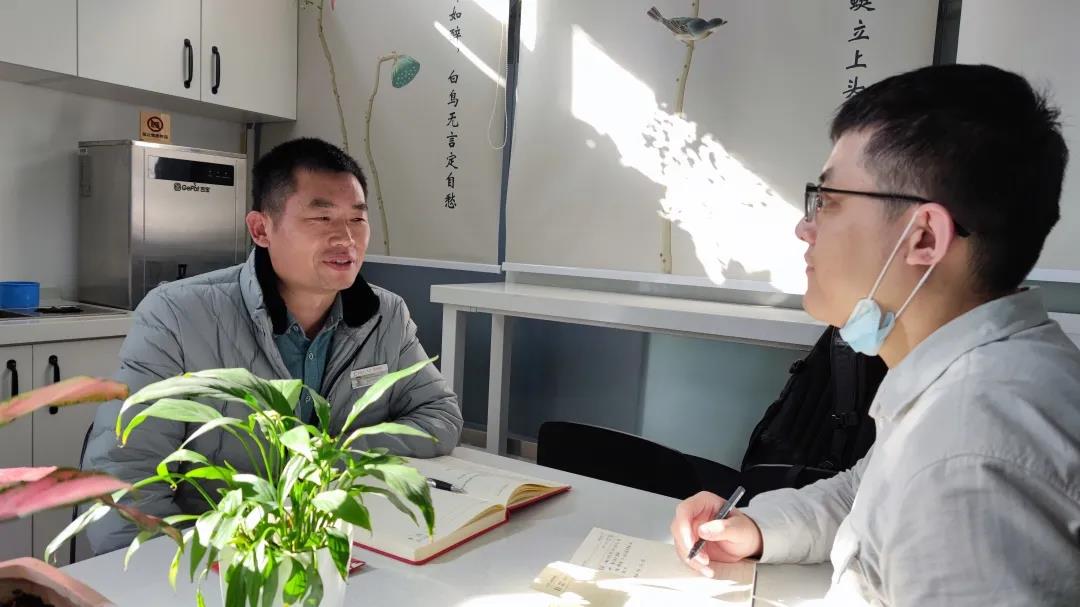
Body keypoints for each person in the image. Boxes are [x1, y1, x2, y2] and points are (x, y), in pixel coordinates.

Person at [671, 64, 1080, 605]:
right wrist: (756, 527)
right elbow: (863, 493)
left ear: (924, 237)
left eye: (828, 200)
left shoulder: (968, 451)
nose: (805, 227)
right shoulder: (970, 376)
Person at [84, 137, 463, 554]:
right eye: (321, 218)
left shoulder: (384, 315)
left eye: (357, 219)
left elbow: (439, 415)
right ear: (261, 230)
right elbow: (123, 480)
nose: (346, 238)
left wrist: (331, 458)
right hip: (219, 558)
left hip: (339, 545)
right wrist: (183, 573)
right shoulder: (177, 315)